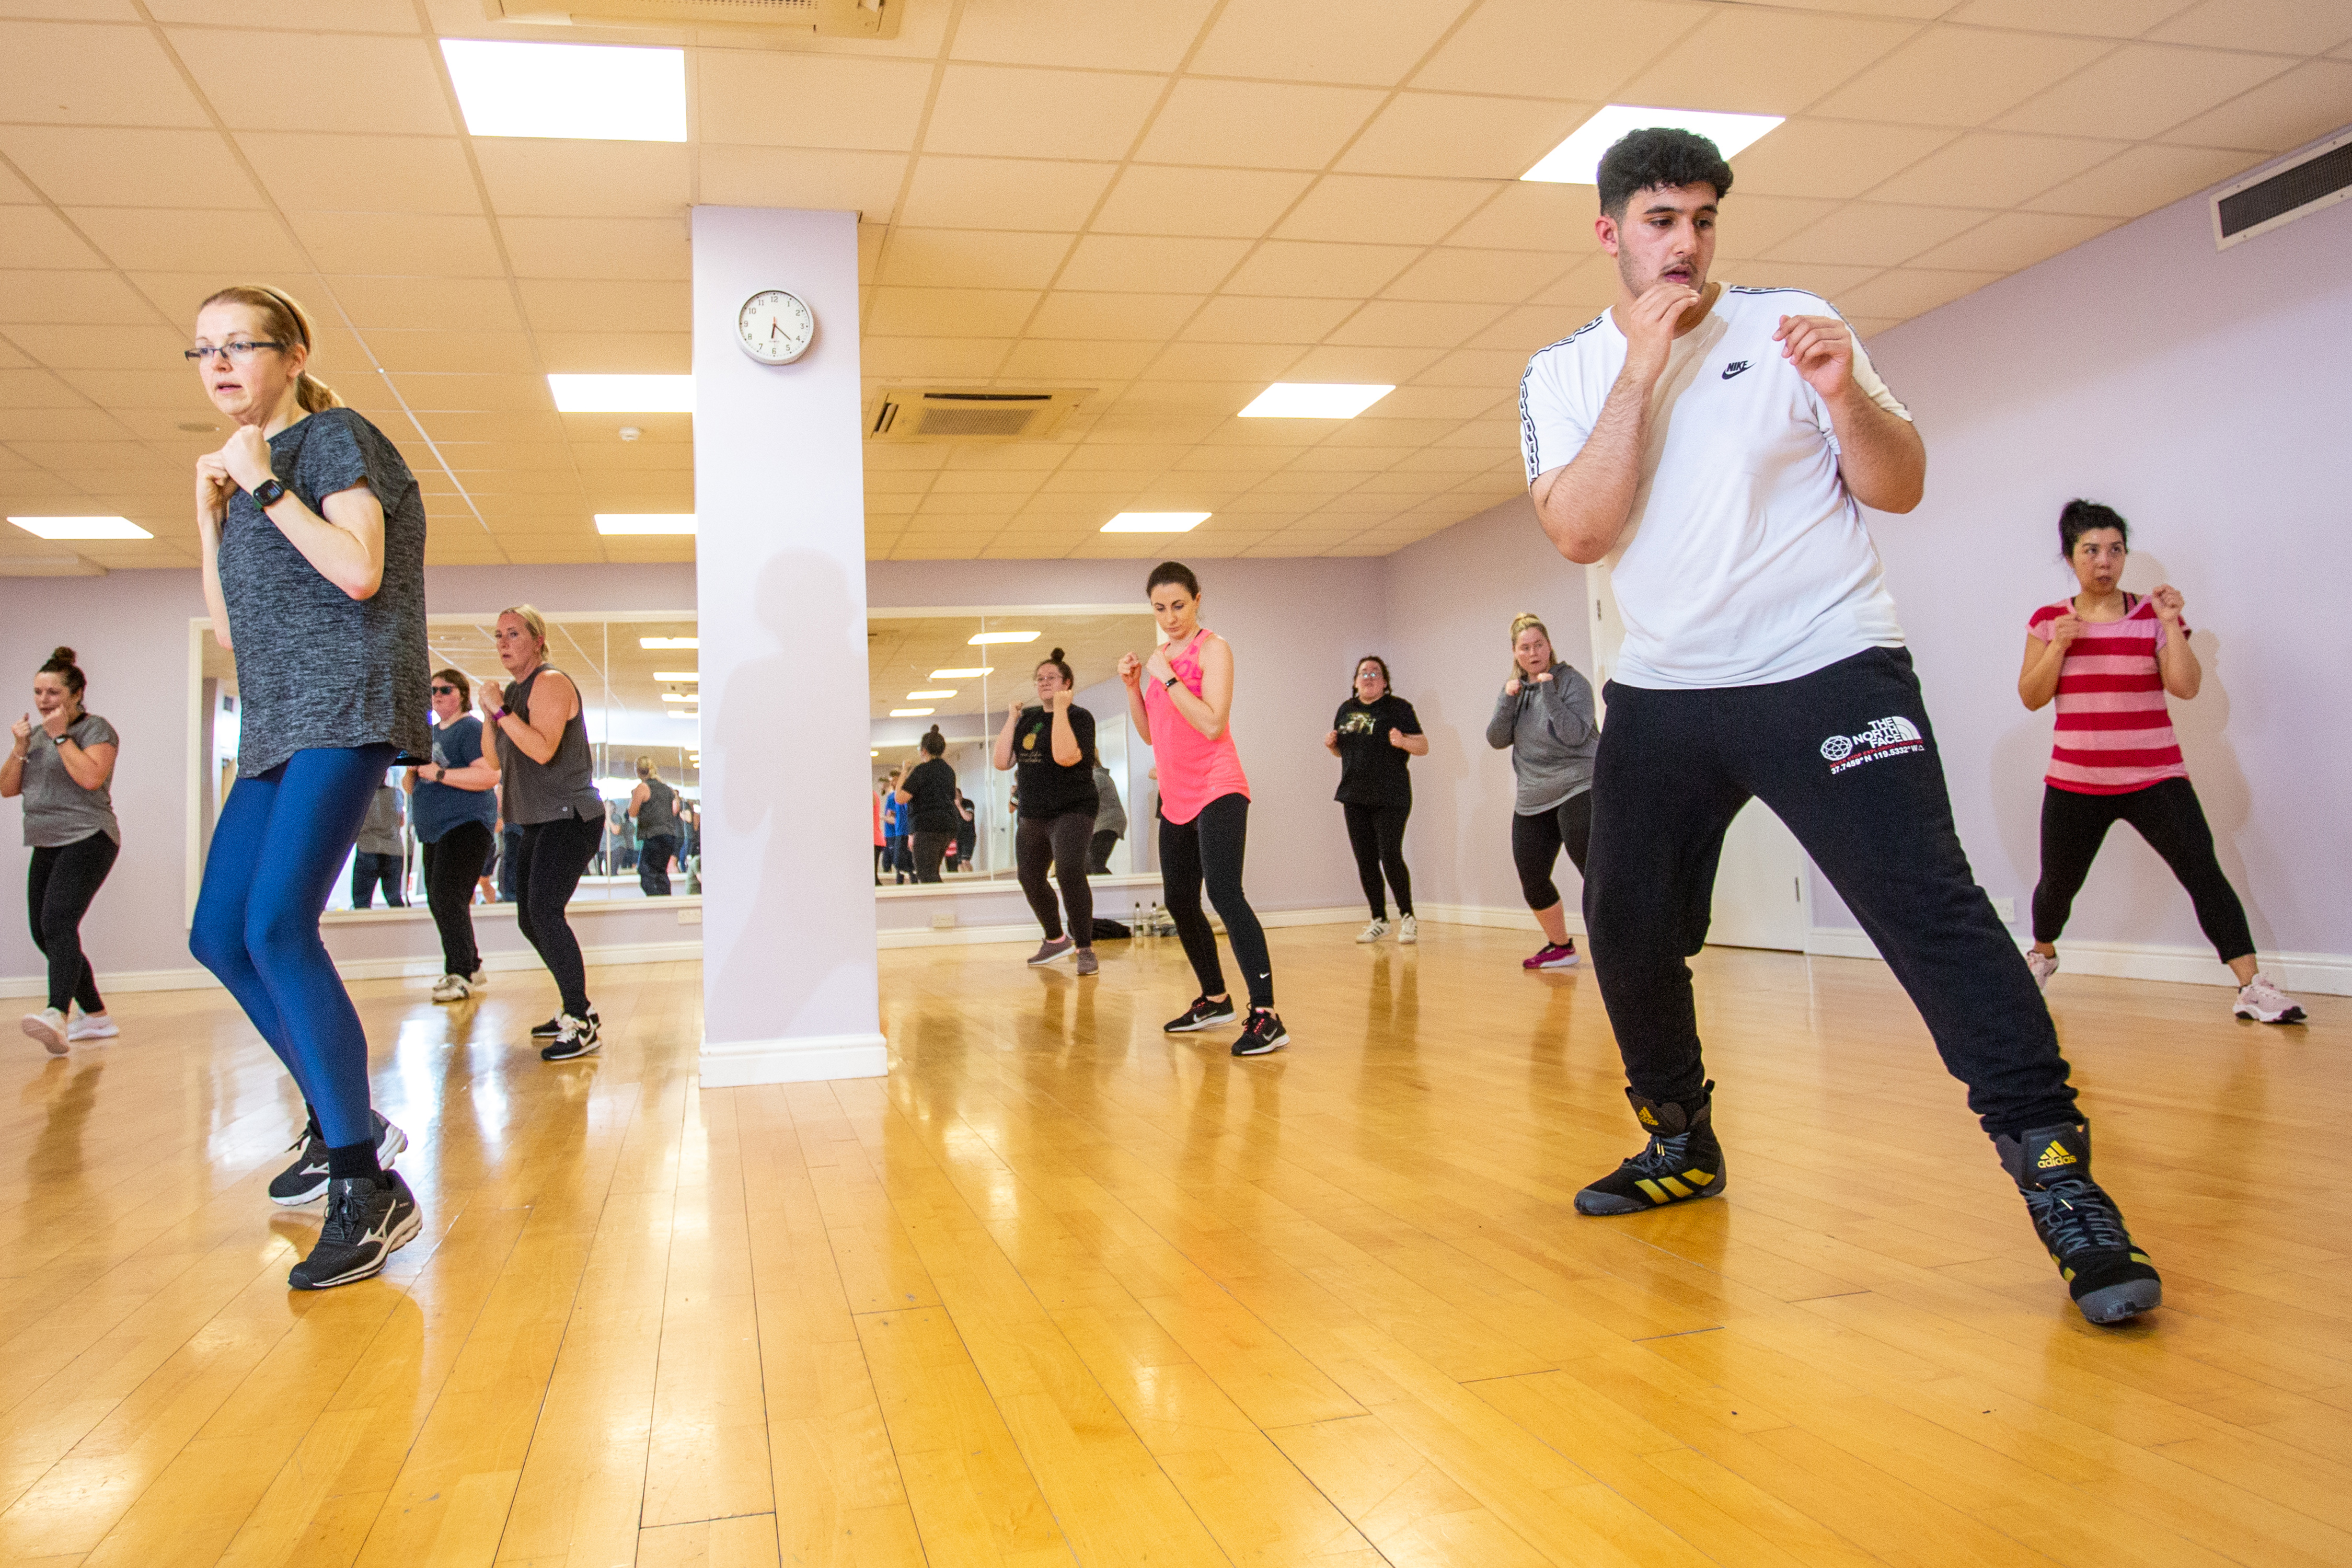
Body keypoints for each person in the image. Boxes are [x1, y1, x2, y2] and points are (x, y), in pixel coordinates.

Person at [1520, 129, 2160, 1324]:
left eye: (1703, 217)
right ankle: (1677, 1138)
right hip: (1662, 687)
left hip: (1826, 663)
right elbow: (1580, 532)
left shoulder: (1792, 323)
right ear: (1608, 231)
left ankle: (2058, 1176)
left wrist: (1841, 392)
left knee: (1928, 909)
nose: (1685, 242)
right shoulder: (1557, 374)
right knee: (1624, 918)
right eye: (1659, 219)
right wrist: (1640, 372)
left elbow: (1897, 481)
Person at [185, 282, 425, 1290]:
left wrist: (265, 485)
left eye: (240, 344)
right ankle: (346, 1120)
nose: (220, 364)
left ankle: (368, 1189)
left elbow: (362, 571)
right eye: (202, 351)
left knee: (280, 924)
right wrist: (212, 515)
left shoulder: (330, 437)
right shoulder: (248, 475)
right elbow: (236, 634)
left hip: (346, 705)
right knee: (218, 932)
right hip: (279, 721)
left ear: (291, 352)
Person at [2019, 500, 2303, 1023]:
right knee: (2057, 884)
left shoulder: (2154, 614)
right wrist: (2058, 648)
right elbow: (2031, 697)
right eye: (2091, 551)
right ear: (2070, 555)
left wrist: (2172, 625)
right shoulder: (2048, 620)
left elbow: (2186, 688)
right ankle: (2043, 954)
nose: (2105, 561)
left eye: (2115, 550)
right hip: (2075, 781)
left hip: (2155, 776)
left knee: (2204, 872)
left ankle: (2252, 987)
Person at [1121, 564, 1286, 1055]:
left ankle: (1267, 1014)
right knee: (1179, 900)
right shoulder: (1160, 659)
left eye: (1178, 605)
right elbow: (1153, 734)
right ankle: (1215, 998)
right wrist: (1134, 687)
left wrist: (1168, 678)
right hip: (1175, 796)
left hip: (1218, 786)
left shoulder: (1214, 648)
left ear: (1196, 601)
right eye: (1159, 608)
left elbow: (1213, 724)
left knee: (1225, 892)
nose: (1169, 617)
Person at [482, 604, 605, 1062]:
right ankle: (572, 1007)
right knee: (529, 917)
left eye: (513, 634)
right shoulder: (514, 695)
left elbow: (540, 749)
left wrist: (499, 711)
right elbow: (495, 762)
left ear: (537, 639)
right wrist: (491, 711)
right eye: (498, 636)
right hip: (537, 819)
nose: (503, 644)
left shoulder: (551, 683)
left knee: (545, 911)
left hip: (570, 817)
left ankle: (581, 1017)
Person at [5, 647, 121, 1054]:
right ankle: (97, 1016)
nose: (43, 701)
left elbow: (91, 777)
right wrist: (20, 746)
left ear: (75, 695)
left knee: (57, 921)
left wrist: (59, 736)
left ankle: (58, 1013)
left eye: (52, 693)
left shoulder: (96, 730)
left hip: (89, 837)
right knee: (44, 931)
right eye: (38, 692)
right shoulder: (34, 736)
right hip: (46, 840)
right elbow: (7, 787)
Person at [1484, 614, 1599, 970]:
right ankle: (1560, 945)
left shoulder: (1571, 682)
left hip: (1579, 783)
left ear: (1549, 646)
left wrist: (1547, 690)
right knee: (1531, 875)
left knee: (1593, 869)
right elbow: (1496, 739)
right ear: (1516, 654)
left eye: (1539, 645)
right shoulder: (1514, 690)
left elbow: (1574, 735)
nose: (1533, 653)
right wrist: (1508, 699)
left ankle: (1623, 943)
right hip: (1534, 794)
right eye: (1525, 648)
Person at [998, 650, 1101, 974]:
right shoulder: (1027, 718)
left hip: (1073, 808)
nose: (1043, 682)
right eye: (1039, 678)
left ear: (1067, 683)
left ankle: (1085, 948)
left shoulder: (1080, 717)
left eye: (1051, 678)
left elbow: (1066, 756)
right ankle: (1055, 940)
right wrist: (1012, 718)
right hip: (1033, 811)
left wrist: (1060, 709)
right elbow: (1003, 762)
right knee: (1029, 876)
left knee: (1070, 871)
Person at [407, 667, 499, 1001]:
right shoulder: (429, 734)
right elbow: (412, 783)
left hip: (466, 825)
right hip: (433, 830)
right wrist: (416, 772)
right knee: (439, 899)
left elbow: (488, 776)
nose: (437, 696)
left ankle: (461, 973)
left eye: (445, 690)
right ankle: (469, 966)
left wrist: (440, 773)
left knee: (448, 896)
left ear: (461, 694)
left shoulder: (470, 729)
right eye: (433, 691)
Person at [1326, 654, 1426, 944]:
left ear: (1385, 682)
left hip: (1391, 795)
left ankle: (1407, 917)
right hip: (1354, 795)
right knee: (1366, 860)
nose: (1369, 677)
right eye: (1363, 673)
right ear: (1356, 682)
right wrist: (1333, 746)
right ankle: (1379, 920)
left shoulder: (1399, 709)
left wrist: (1403, 741)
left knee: (1390, 855)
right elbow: (1345, 751)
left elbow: (1423, 745)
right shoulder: (1346, 709)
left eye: (1375, 673)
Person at [895, 726, 960, 884]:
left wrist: (904, 771)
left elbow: (900, 798)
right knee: (931, 872)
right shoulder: (949, 771)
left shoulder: (921, 771)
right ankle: (940, 906)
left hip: (927, 828)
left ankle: (941, 907)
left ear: (923, 751)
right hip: (947, 827)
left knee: (926, 875)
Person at [349, 780, 407, 908]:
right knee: (394, 899)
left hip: (368, 848)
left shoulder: (360, 795)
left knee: (361, 902)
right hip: (394, 851)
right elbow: (401, 821)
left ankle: (363, 929)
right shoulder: (397, 793)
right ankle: (401, 928)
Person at [629, 757, 681, 896]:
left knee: (646, 872)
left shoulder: (643, 788)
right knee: (660, 873)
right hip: (669, 835)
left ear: (638, 771)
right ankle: (666, 902)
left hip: (654, 836)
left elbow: (632, 813)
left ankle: (657, 901)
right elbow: (675, 810)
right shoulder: (666, 788)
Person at [1087, 764, 1126, 874]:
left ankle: (1111, 888)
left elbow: (1087, 800)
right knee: (1093, 863)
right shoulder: (1100, 776)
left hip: (1107, 823)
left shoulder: (1096, 777)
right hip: (1109, 822)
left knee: (1094, 863)